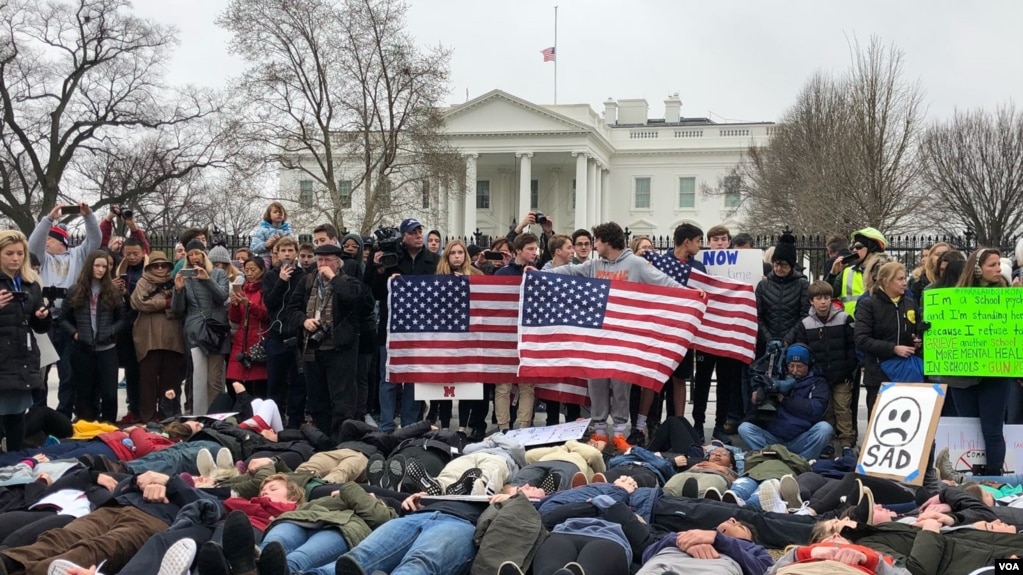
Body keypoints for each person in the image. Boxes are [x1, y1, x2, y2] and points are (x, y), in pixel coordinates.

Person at [549, 222, 686, 451]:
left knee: (621, 384)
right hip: (597, 335)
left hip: (623, 336)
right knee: (597, 382)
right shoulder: (593, 265)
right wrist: (540, 274)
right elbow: (570, 271)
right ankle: (600, 431)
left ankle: (620, 432)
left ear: (607, 241)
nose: (594, 245)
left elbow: (664, 283)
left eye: (597, 241)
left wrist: (690, 293)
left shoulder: (636, 264)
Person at [288, 243, 375, 441]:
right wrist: (304, 320)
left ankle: (340, 440)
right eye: (320, 260)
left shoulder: (348, 281)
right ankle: (323, 440)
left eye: (327, 260)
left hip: (340, 349)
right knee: (318, 400)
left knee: (342, 400)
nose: (322, 264)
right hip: (312, 348)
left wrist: (334, 279)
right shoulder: (307, 281)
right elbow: (291, 309)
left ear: (337, 262)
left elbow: (360, 303)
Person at [940, 248, 1014, 476]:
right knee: (967, 428)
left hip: (995, 374)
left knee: (992, 430)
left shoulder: (1007, 296)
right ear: (978, 268)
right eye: (992, 265)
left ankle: (993, 476)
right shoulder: (953, 299)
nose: (998, 269)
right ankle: (967, 477)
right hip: (962, 376)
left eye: (999, 265)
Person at [28, 202, 101, 418]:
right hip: (45, 319)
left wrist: (89, 217)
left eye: (50, 238)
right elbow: (33, 245)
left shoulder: (78, 255)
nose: (46, 242)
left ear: (61, 242)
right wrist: (48, 220)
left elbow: (95, 240)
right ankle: (37, 413)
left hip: (70, 320)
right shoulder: (43, 259)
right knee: (40, 372)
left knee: (68, 373)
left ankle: (63, 414)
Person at [369, 218, 439, 430]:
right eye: (413, 232)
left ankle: (409, 423)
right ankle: (387, 423)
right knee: (388, 377)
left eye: (420, 231)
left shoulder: (433, 260)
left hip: (420, 329)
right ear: (403, 236)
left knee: (413, 378)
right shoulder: (392, 259)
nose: (419, 235)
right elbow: (376, 293)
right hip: (391, 327)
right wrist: (379, 271)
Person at [787, 280, 857, 457]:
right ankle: (829, 443)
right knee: (826, 410)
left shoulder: (844, 318)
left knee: (843, 408)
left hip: (842, 374)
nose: (823, 302)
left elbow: (852, 346)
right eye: (819, 298)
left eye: (827, 297)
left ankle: (847, 442)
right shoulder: (806, 323)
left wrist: (850, 369)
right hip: (820, 377)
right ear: (811, 301)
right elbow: (805, 351)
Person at [59, 250, 128, 423]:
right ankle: (86, 427)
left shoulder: (113, 290)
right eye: (97, 265)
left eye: (104, 266)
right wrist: (75, 333)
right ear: (90, 266)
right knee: (84, 392)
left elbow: (123, 319)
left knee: (110, 393)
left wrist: (110, 331)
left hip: (107, 349)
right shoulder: (75, 290)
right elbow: (63, 319)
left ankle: (109, 426)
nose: (101, 269)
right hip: (83, 348)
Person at [0, 231, 52, 451]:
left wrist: (42, 316)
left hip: (22, 358)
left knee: (17, 416)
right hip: (2, 358)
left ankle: (16, 466)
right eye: (9, 253)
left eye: (20, 253)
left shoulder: (31, 284)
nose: (16, 258)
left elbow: (39, 327)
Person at [738, 343, 833, 460]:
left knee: (824, 428)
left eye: (800, 366)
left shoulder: (818, 383)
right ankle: (771, 459)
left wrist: (785, 399)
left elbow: (815, 409)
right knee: (745, 428)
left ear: (808, 365)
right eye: (791, 366)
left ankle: (803, 462)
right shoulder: (776, 379)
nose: (794, 370)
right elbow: (756, 415)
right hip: (774, 440)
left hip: (801, 439)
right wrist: (758, 398)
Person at [853, 261, 920, 416]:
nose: (905, 283)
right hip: (879, 374)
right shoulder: (868, 304)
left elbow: (916, 330)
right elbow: (861, 339)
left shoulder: (910, 303)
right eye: (900, 279)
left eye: (905, 278)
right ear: (886, 281)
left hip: (906, 373)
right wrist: (892, 349)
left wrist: (917, 340)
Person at [433, 240, 485, 435]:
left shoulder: (477, 275)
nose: (457, 256)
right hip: (445, 336)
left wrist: (467, 282)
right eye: (453, 252)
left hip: (469, 336)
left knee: (466, 383)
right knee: (446, 383)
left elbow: (484, 302)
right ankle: (445, 426)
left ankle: (462, 427)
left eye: (460, 252)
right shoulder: (438, 278)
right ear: (447, 256)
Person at [171, 245, 230, 416]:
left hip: (216, 332)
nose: (194, 257)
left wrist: (207, 280)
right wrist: (179, 290)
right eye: (190, 255)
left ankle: (215, 417)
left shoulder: (219, 273)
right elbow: (178, 310)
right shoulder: (185, 278)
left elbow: (222, 297)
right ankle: (199, 416)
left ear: (205, 255)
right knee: (198, 378)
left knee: (214, 379)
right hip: (196, 332)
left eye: (198, 253)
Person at [130, 251, 186, 423]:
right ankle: (148, 415)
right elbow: (139, 303)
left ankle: (168, 414)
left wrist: (166, 306)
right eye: (156, 265)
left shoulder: (175, 281)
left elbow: (180, 306)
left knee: (171, 379)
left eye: (163, 265)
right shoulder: (143, 282)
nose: (160, 268)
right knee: (148, 379)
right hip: (148, 338)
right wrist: (166, 304)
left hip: (172, 338)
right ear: (149, 267)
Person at [262, 236, 306, 428]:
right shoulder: (270, 276)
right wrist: (281, 281)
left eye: (290, 250)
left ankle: (295, 424)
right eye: (283, 250)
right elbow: (269, 303)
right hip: (277, 337)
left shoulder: (304, 276)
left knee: (298, 384)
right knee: (275, 384)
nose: (287, 254)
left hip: (297, 337)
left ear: (296, 253)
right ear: (276, 254)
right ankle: (275, 423)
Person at [115, 238, 149, 425]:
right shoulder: (120, 270)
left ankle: (147, 407)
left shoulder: (150, 269)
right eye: (128, 254)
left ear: (143, 252)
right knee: (131, 369)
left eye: (135, 253)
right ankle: (133, 407)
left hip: (144, 322)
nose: (132, 257)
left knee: (147, 369)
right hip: (125, 325)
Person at [227, 258, 269, 394]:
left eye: (253, 270)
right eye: (247, 270)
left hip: (258, 339)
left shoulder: (265, 290)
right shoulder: (243, 289)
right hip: (241, 340)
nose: (250, 273)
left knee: (258, 384)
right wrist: (234, 305)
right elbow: (235, 319)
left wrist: (248, 305)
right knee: (237, 382)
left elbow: (266, 315)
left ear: (262, 270)